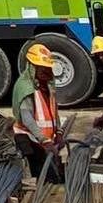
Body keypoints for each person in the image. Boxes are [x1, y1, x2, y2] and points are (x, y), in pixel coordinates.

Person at [12, 41, 64, 179]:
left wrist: (59, 131)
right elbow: (27, 119)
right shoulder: (26, 88)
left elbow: (53, 110)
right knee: (42, 175)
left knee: (54, 175)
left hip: (44, 140)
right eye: (43, 69)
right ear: (33, 67)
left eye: (48, 68)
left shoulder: (47, 86)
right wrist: (44, 140)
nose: (47, 72)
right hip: (29, 139)